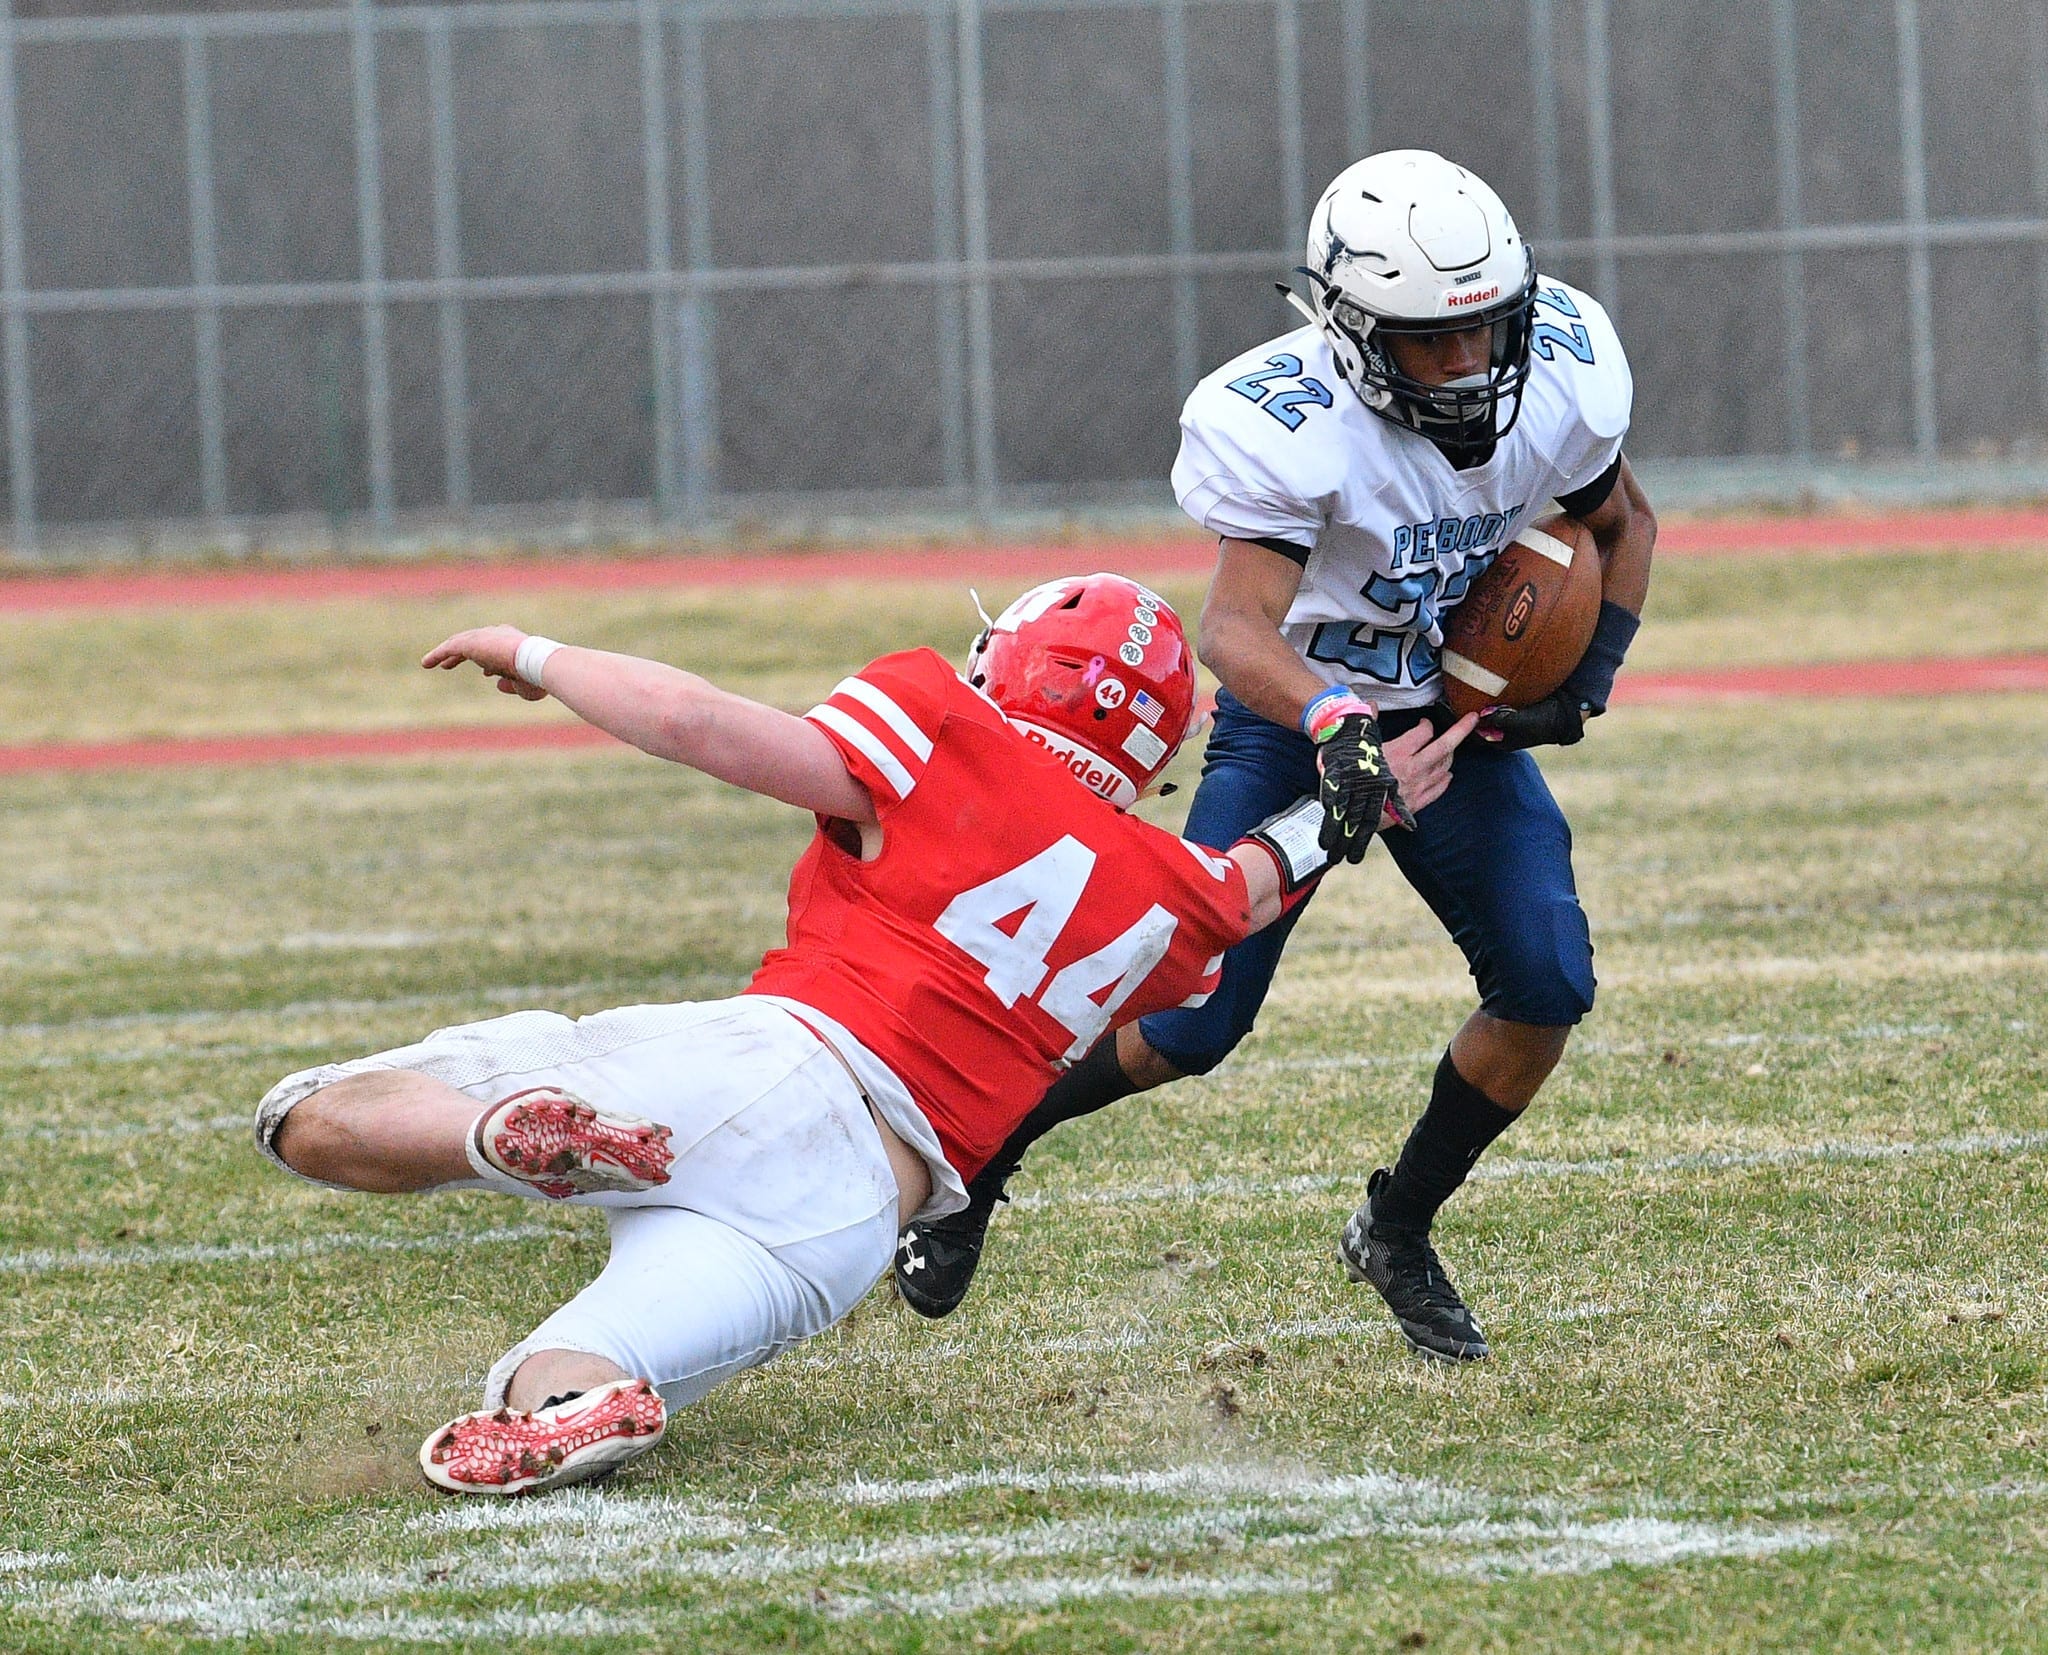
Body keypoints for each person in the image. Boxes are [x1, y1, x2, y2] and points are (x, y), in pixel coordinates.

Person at [254, 573, 1470, 1495]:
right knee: (575, 1368)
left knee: (308, 1115)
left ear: (1017, 668)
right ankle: (566, 1403)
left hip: (770, 1062)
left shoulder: (940, 722)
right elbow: (1256, 876)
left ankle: (487, 1132)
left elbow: (698, 722)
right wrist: (1351, 802)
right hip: (849, 1215)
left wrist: (538, 651)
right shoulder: (1167, 888)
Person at [893, 149, 1657, 1363]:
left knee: (1545, 982)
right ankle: (979, 1159)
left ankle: (1394, 1226)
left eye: (1481, 331)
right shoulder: (1286, 423)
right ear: (1351, 330)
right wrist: (1331, 726)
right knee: (1189, 1016)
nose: (1467, 366)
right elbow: (1234, 629)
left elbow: (1621, 524)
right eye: (1427, 341)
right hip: (1297, 710)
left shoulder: (1560, 368)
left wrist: (1588, 678)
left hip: (1443, 718)